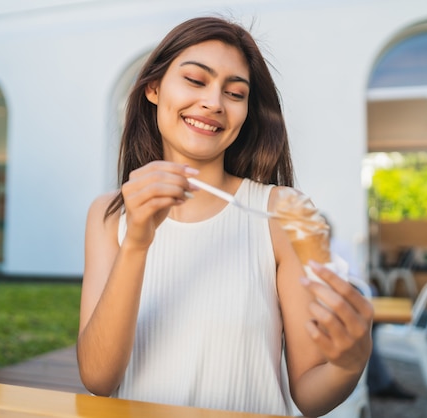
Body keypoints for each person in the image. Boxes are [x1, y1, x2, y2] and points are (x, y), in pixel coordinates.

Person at [77, 16, 373, 417]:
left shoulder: (280, 212)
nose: (214, 102)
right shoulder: (108, 214)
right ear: (153, 87)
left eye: (235, 93)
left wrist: (348, 363)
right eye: (196, 81)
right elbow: (97, 378)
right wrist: (137, 244)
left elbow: (309, 394)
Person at [324, 214, 416, 400]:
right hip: (338, 299)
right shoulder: (321, 249)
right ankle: (380, 382)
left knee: (368, 308)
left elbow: (353, 275)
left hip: (348, 294)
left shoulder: (337, 246)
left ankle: (376, 381)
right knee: (366, 324)